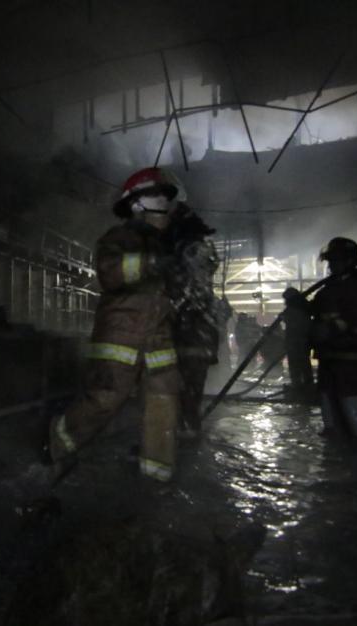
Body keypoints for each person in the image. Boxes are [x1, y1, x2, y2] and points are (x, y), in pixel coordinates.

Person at [48, 167, 182, 482]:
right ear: (134, 203)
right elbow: (110, 274)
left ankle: (156, 476)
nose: (163, 199)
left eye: (165, 194)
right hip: (121, 334)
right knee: (105, 400)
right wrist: (151, 263)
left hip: (159, 337)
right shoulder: (118, 238)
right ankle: (57, 441)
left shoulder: (167, 243)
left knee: (164, 401)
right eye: (155, 193)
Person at [164, 204, 221, 438]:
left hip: (188, 331)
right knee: (191, 386)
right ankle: (188, 426)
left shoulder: (190, 250)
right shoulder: (204, 249)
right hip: (200, 332)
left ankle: (184, 430)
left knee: (184, 385)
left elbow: (186, 291)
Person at [311, 237, 357, 439]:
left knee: (352, 399)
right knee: (327, 396)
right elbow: (319, 310)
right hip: (331, 356)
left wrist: (333, 329)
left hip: (350, 358)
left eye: (335, 260)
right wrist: (300, 305)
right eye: (330, 261)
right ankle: (335, 439)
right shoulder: (332, 288)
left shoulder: (356, 288)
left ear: (349, 262)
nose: (331, 265)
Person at [282, 287, 314, 400]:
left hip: (296, 342)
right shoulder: (302, 307)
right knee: (304, 365)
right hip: (302, 342)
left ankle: (300, 388)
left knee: (297, 366)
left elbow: (295, 326)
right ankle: (306, 386)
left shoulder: (294, 310)